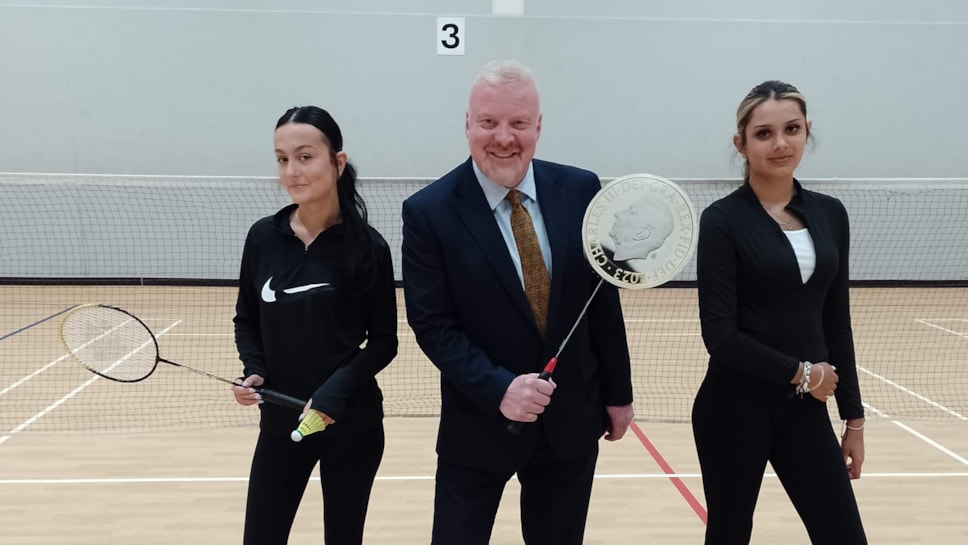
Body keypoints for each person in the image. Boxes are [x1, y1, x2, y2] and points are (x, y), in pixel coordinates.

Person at [401, 59, 635, 545]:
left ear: (538, 126)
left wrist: (619, 393)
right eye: (488, 122)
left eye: (518, 123)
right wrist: (499, 388)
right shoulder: (428, 213)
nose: (503, 137)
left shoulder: (580, 189)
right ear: (467, 123)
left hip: (571, 423)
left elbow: (602, 301)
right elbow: (433, 325)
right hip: (478, 425)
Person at [692, 80, 867, 544]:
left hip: (805, 413)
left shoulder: (831, 215)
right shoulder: (722, 221)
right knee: (729, 532)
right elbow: (720, 336)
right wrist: (802, 373)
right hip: (733, 408)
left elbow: (837, 322)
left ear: (807, 131)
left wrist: (854, 419)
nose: (780, 143)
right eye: (764, 133)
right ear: (741, 144)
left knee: (843, 534)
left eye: (792, 129)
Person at [232, 106, 398, 544]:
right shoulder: (263, 238)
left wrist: (335, 391)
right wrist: (253, 368)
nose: (292, 171)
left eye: (305, 157)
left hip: (352, 426)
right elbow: (247, 316)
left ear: (337, 163)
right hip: (281, 422)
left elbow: (384, 342)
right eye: (282, 159)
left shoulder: (369, 248)